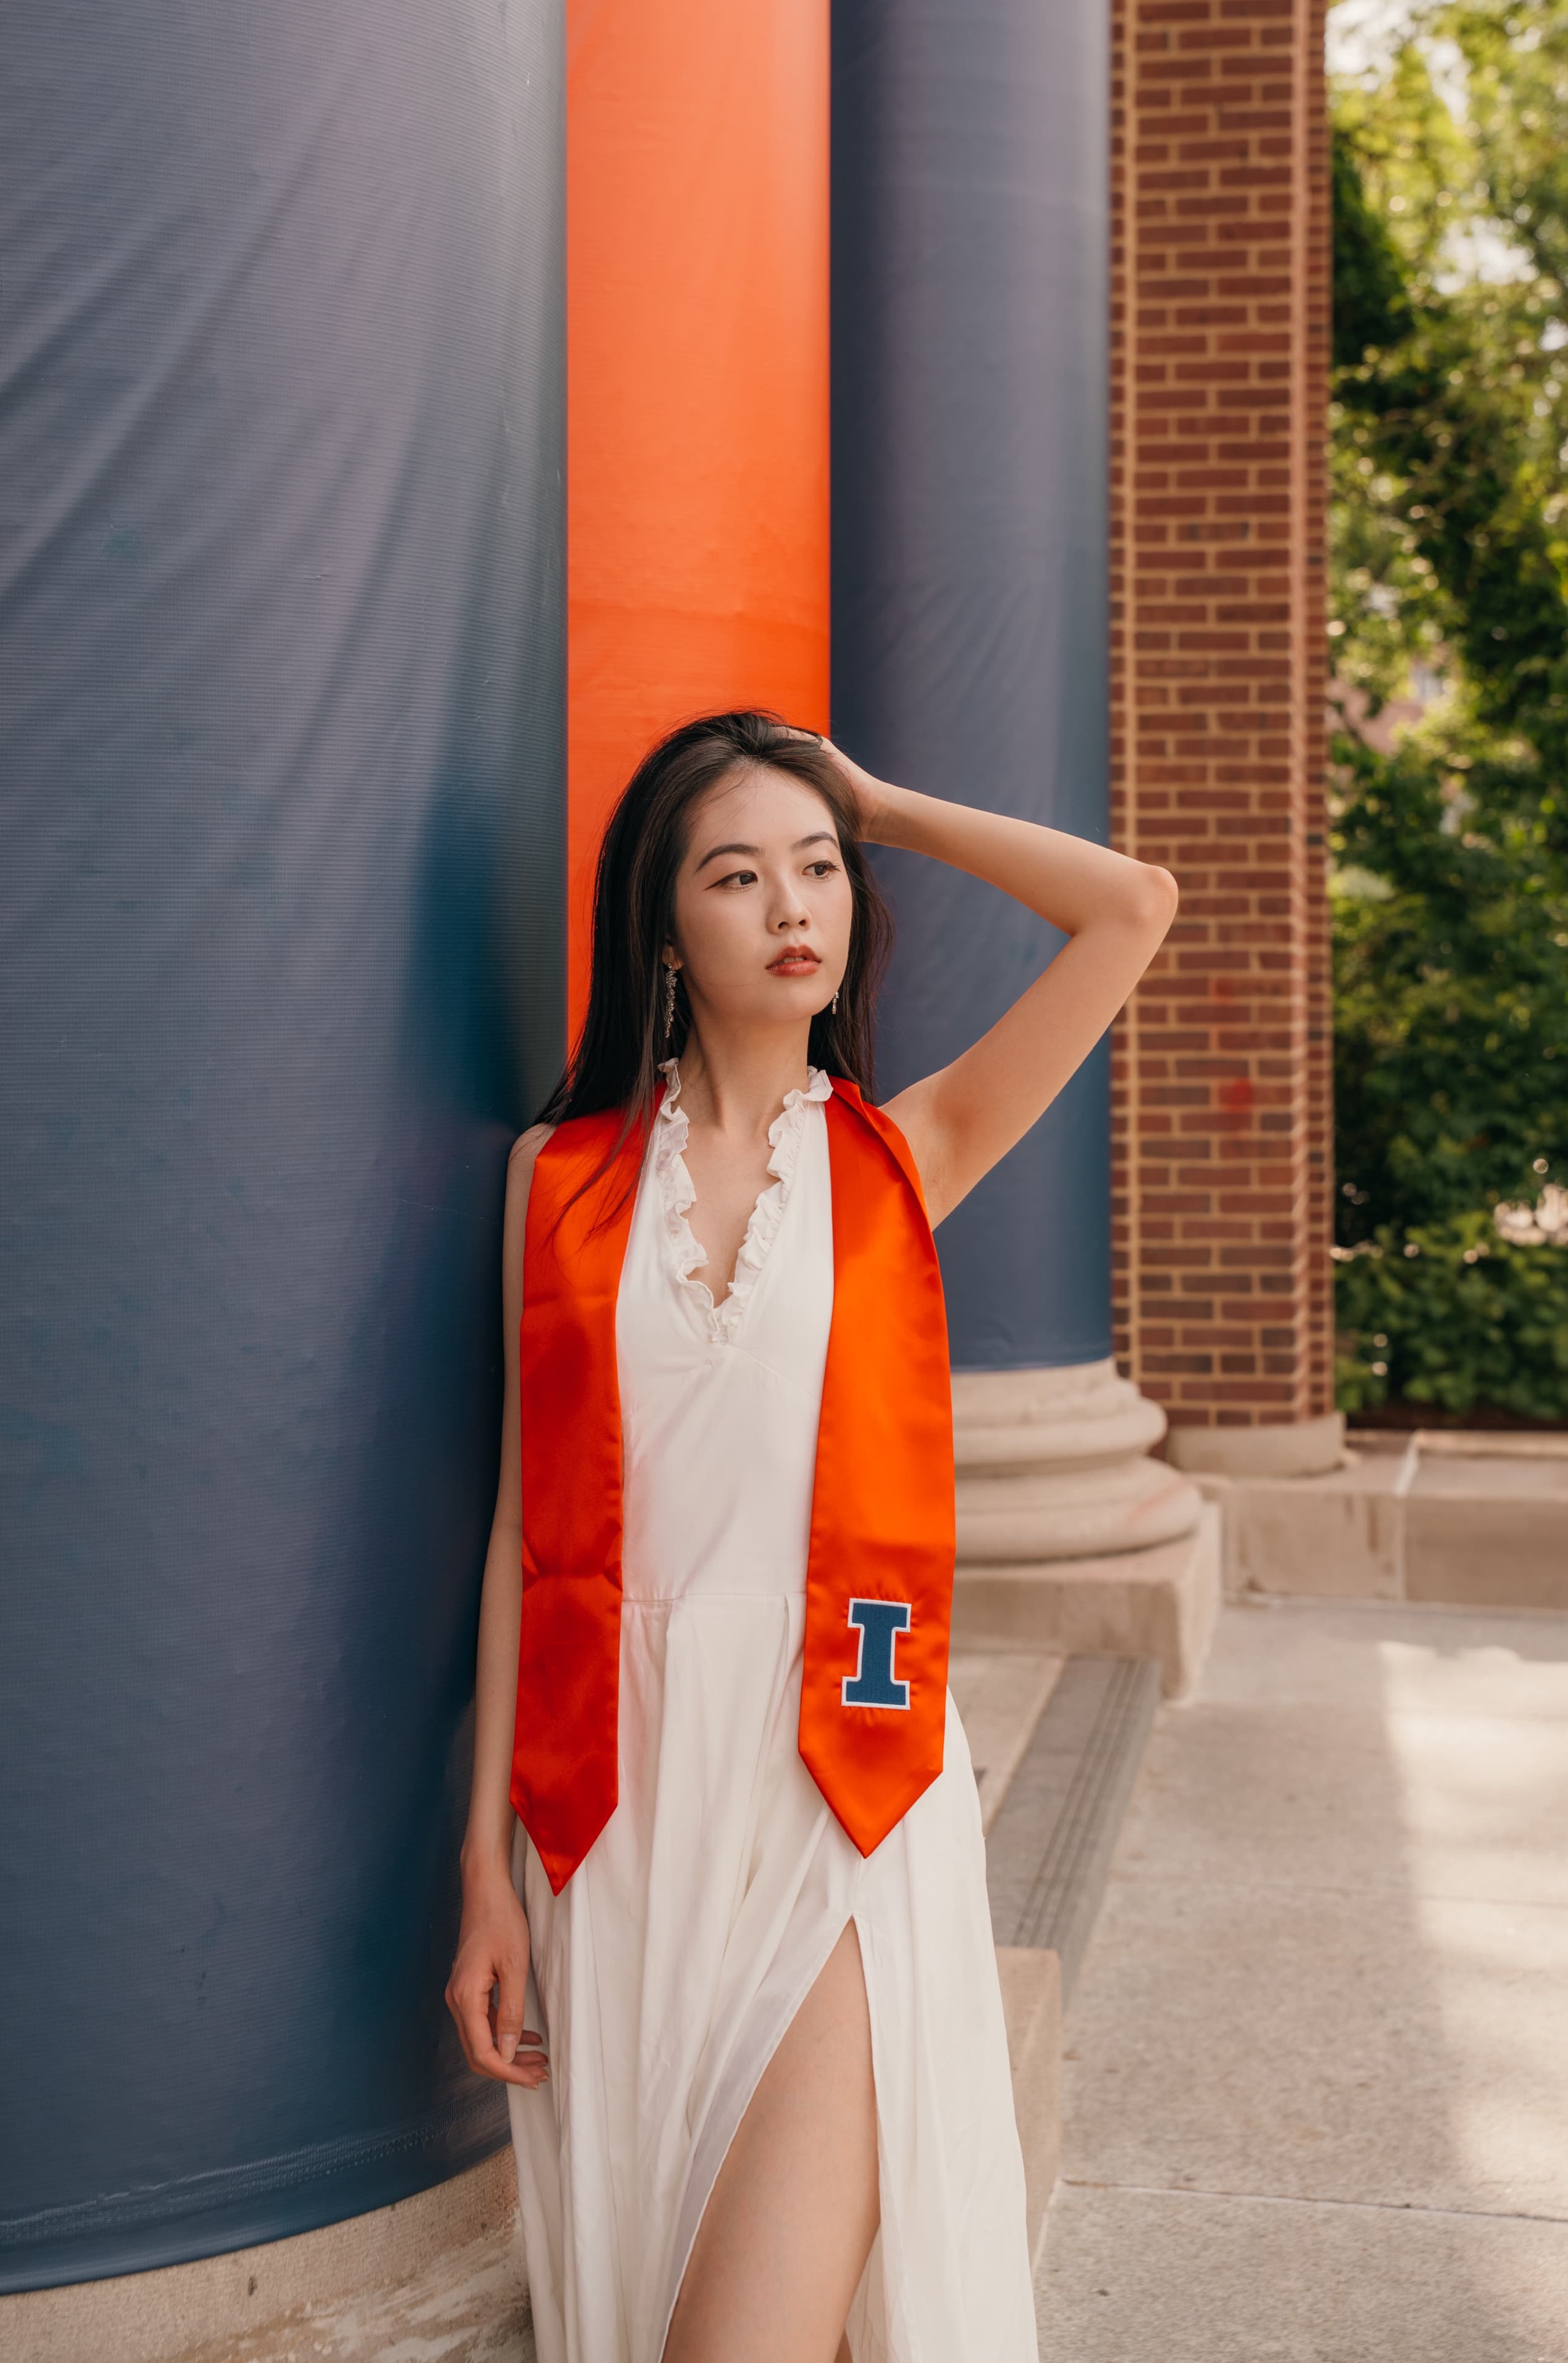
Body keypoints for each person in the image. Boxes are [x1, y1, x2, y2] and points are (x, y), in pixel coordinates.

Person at [446, 711, 1178, 2363]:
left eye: (821, 868)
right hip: (617, 1813)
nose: (793, 904)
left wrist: (882, 800)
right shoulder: (555, 1183)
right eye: (736, 874)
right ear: (662, 928)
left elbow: (1131, 905)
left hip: (845, 1788)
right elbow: (520, 1529)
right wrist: (483, 1875)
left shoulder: (903, 1159)